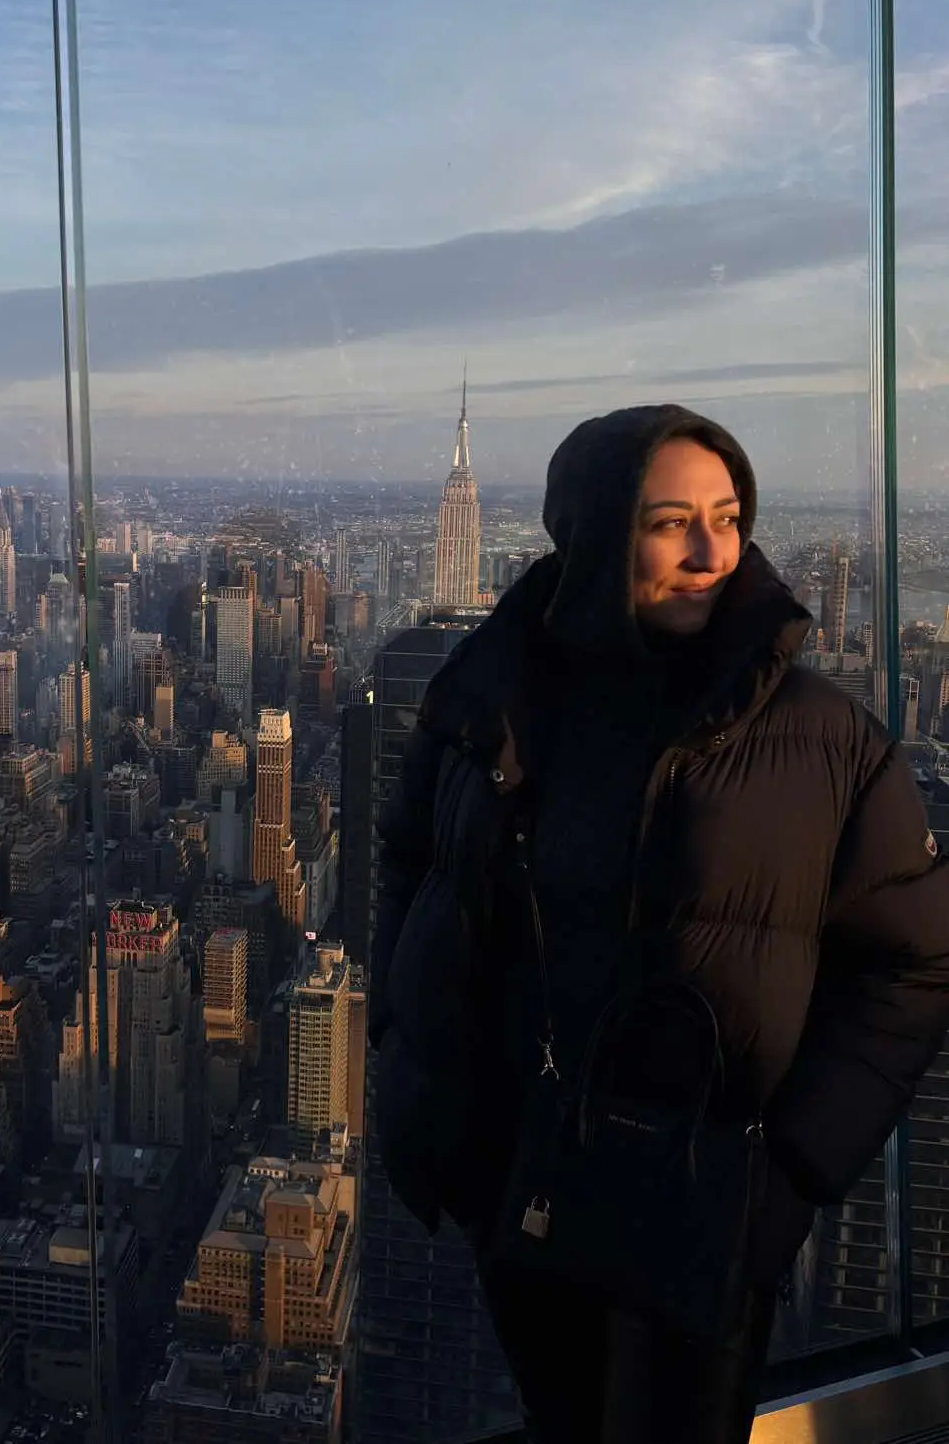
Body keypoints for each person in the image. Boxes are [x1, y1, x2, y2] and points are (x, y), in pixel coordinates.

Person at [369, 404, 949, 1444]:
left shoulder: (823, 737)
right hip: (519, 1174)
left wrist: (788, 1177)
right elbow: (413, 865)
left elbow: (911, 964)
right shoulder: (490, 697)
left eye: (727, 517)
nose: (708, 550)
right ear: (594, 536)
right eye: (669, 520)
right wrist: (409, 1056)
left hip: (698, 1203)